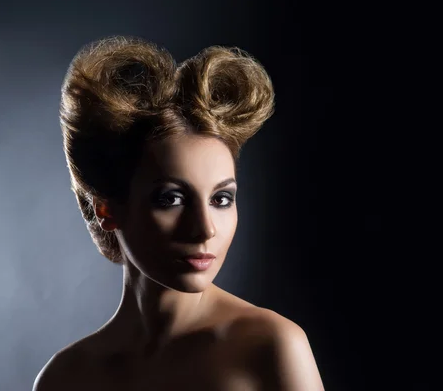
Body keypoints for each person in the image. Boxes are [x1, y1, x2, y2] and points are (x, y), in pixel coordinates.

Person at [33, 35, 324, 390]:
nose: (204, 230)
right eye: (171, 199)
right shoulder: (65, 378)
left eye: (221, 199)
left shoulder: (271, 346)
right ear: (107, 209)